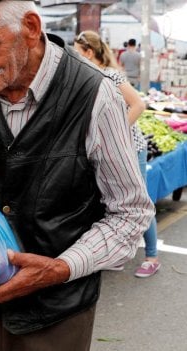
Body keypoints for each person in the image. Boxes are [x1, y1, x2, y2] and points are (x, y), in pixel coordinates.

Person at [0, 0, 154, 350]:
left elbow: (131, 212)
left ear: (31, 28)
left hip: (56, 312)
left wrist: (60, 268)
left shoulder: (95, 94)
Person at [74, 30, 160, 278]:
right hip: (107, 152)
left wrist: (116, 134)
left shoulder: (110, 75)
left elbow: (139, 105)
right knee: (111, 200)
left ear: (89, 53)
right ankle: (118, 253)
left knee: (137, 200)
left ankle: (152, 256)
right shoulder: (87, 77)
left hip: (132, 149)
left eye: (79, 54)